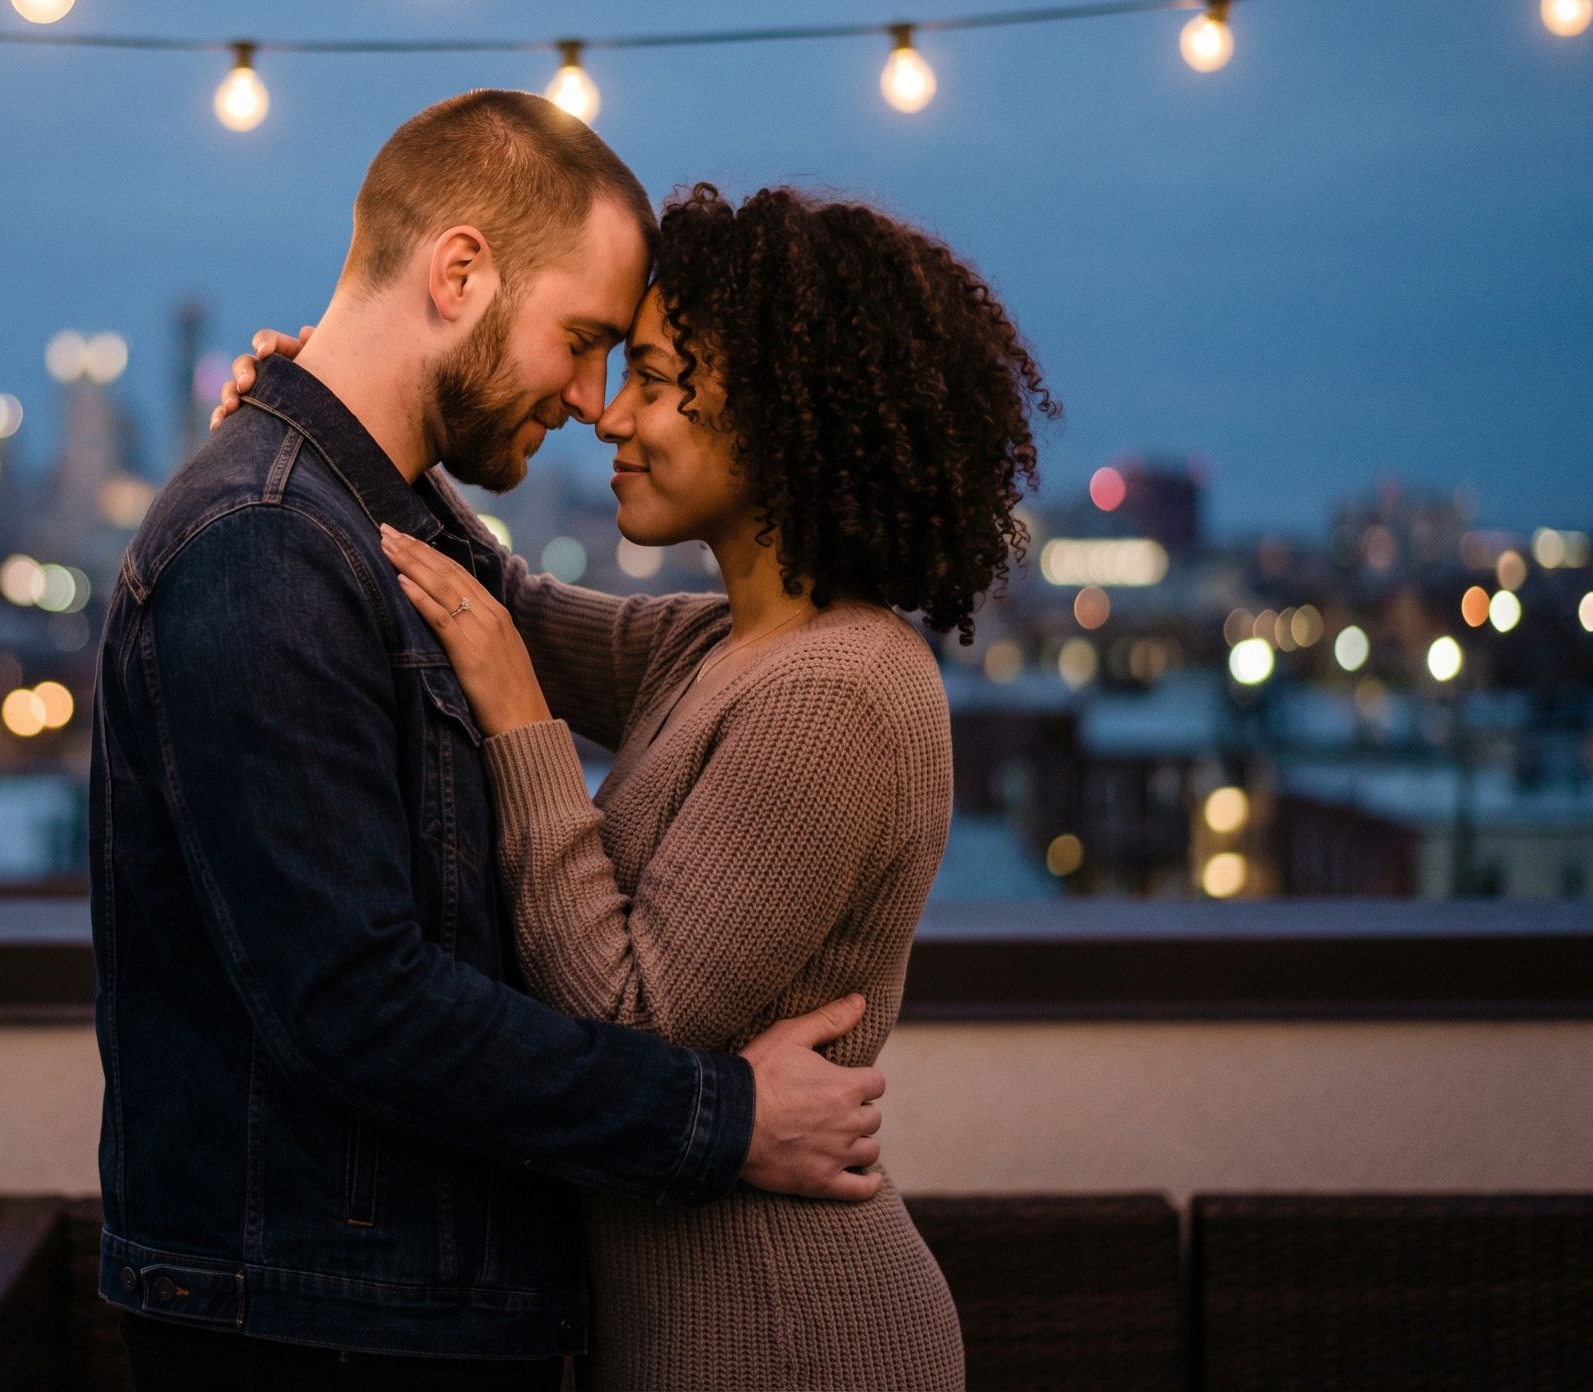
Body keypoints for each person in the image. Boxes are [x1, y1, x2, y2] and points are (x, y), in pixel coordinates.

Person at [91, 95, 893, 1390]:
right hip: (327, 1336)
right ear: (459, 273)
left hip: (391, 1313)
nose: (593, 402)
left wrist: (335, 431)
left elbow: (529, 618)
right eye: (583, 344)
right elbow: (355, 1001)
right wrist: (721, 1118)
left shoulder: (345, 525)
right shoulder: (266, 545)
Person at [222, 182, 1055, 1389]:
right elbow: (494, 599)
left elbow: (627, 1021)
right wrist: (340, 408)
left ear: (781, 414)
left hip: (789, 1334)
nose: (611, 415)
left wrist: (521, 727)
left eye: (659, 379)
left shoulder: (841, 693)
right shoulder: (718, 646)